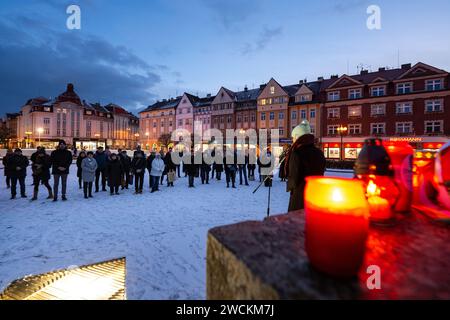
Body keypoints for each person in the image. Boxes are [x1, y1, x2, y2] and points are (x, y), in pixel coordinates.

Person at [286, 120, 326, 212]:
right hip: (315, 194)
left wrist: (290, 185)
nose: (292, 140)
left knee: (297, 220)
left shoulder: (297, 153)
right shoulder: (319, 152)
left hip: (300, 196)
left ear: (297, 137)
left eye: (293, 138)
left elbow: (294, 177)